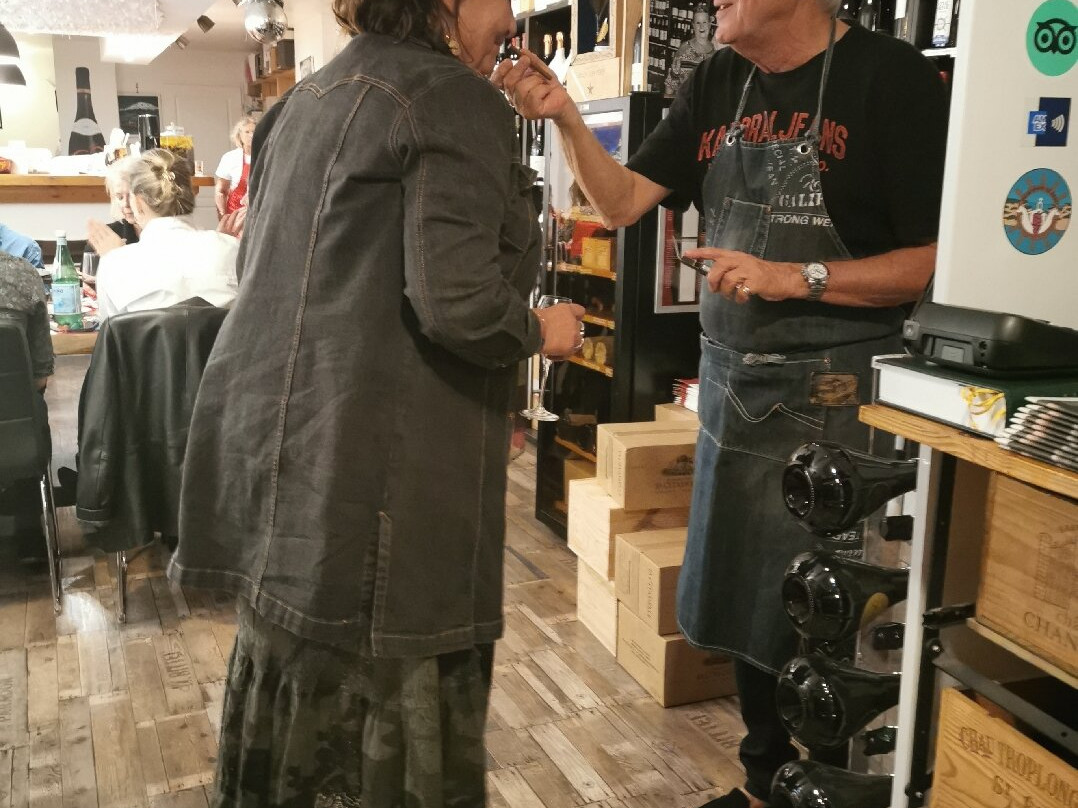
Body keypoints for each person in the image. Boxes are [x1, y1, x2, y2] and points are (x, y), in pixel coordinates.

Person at [498, 0, 948, 805]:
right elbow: (622, 203)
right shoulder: (716, 81)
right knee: (744, 594)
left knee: (825, 610)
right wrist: (566, 116)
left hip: (837, 398)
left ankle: (824, 787)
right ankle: (763, 781)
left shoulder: (893, 81)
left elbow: (933, 261)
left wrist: (796, 277)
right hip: (735, 389)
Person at [166, 0, 585, 805]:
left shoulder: (301, 101)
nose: (510, 20)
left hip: (290, 466)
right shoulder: (452, 98)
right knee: (386, 728)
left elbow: (268, 270)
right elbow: (459, 303)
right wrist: (542, 329)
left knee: (294, 705)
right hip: (386, 484)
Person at [94, 149, 239, 320]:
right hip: (223, 338)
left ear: (138, 202)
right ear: (191, 194)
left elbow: (110, 330)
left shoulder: (114, 264)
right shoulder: (234, 249)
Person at [0, 252, 55, 561]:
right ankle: (28, 530)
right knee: (26, 405)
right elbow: (40, 377)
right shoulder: (21, 273)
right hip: (15, 438)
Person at [665, 3, 716, 97]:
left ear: (709, 24)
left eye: (704, 22)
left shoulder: (715, 52)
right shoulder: (684, 50)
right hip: (686, 104)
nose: (701, 27)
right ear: (693, 25)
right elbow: (670, 86)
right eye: (698, 23)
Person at [214, 114, 257, 220]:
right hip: (234, 214)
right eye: (247, 132)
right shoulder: (230, 158)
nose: (251, 135)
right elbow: (221, 191)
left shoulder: (265, 157)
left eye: (254, 132)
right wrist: (223, 215)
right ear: (239, 135)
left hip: (258, 214)